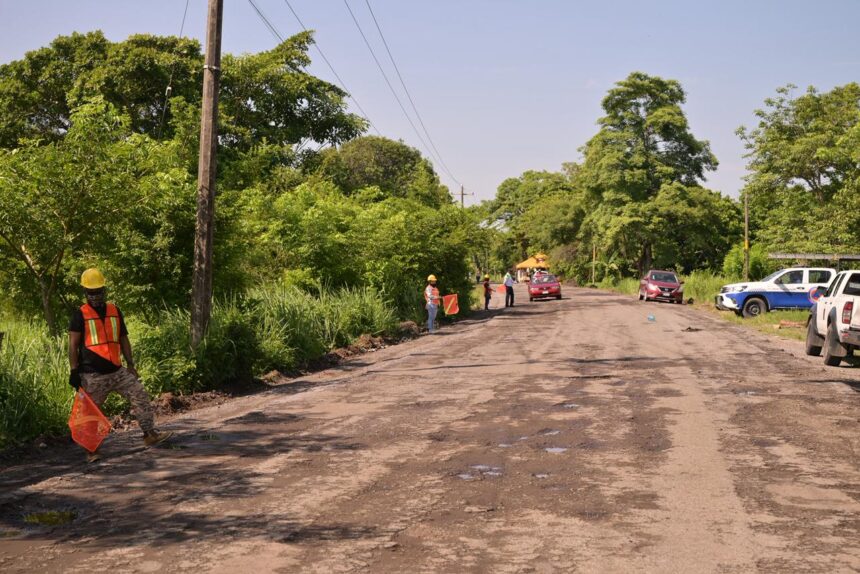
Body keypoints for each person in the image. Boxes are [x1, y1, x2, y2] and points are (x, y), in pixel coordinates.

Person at [69, 268, 172, 462]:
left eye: (98, 291)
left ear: (104, 290)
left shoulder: (114, 311)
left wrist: (131, 365)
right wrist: (74, 371)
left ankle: (149, 434)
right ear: (85, 293)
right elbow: (73, 345)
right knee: (91, 412)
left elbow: (124, 339)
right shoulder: (79, 315)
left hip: (117, 371)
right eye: (91, 292)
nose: (95, 296)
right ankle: (92, 451)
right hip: (92, 375)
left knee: (139, 393)